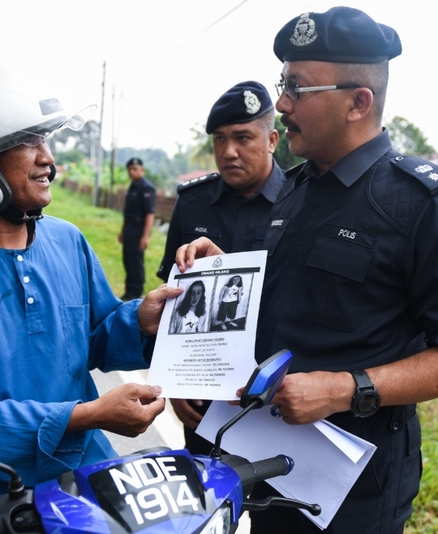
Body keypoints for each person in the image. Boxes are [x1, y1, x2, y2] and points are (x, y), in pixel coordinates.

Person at [175, 7, 438, 533]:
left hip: (355, 491)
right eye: (284, 84)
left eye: (298, 89)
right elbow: (290, 308)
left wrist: (347, 387)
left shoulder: (421, 203)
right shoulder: (295, 191)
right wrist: (222, 276)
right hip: (267, 463)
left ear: (358, 102)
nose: (281, 104)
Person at [0, 64, 181, 532]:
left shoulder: (68, 241)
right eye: (27, 143)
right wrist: (83, 416)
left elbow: (95, 336)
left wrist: (140, 320)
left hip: (74, 480)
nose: (48, 158)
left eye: (46, 140)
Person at [157, 81, 285, 456]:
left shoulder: (300, 203)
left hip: (274, 391)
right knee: (205, 500)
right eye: (218, 139)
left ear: (272, 139)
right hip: (204, 394)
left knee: (268, 508)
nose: (228, 152)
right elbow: (174, 301)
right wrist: (175, 382)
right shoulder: (193, 203)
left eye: (243, 138)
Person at [119, 157, 155, 300]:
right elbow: (127, 213)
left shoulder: (146, 187)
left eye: (135, 169)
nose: (131, 172)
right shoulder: (133, 186)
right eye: (129, 170)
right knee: (127, 260)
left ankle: (136, 292)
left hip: (139, 229)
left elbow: (150, 214)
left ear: (142, 170)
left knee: (136, 262)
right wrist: (123, 231)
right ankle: (129, 291)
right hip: (129, 228)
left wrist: (145, 236)